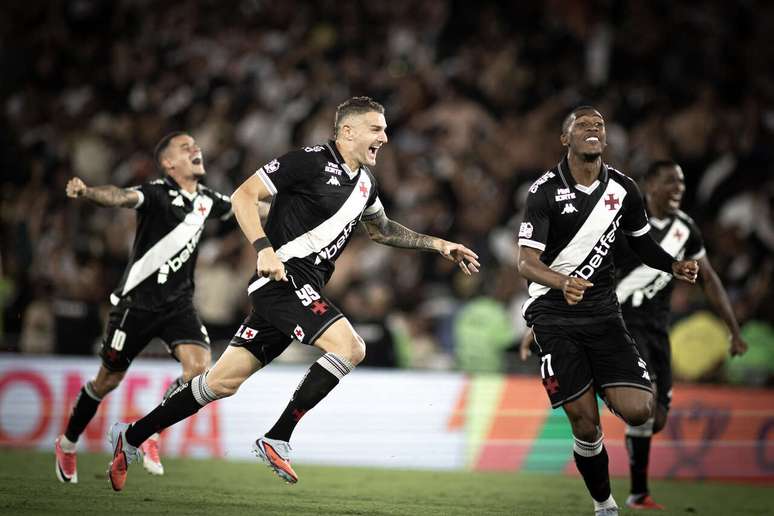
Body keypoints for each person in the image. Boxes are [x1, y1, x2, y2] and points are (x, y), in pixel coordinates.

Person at [104, 96, 480, 491]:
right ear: (347, 131)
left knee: (221, 383)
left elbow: (382, 230)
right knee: (350, 347)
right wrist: (263, 248)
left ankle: (130, 437)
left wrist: (440, 245)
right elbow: (243, 196)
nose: (385, 138)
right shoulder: (308, 161)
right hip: (281, 281)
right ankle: (277, 436)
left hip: (301, 289)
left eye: (384, 129)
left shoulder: (366, 183)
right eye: (376, 129)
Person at [515, 106, 698, 516]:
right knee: (585, 424)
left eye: (599, 125)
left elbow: (642, 243)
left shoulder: (625, 190)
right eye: (582, 125)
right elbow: (526, 264)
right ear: (566, 139)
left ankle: (592, 377)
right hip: (553, 315)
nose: (593, 129)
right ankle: (605, 504)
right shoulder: (543, 191)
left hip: (603, 315)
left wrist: (672, 264)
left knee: (640, 409)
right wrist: (563, 282)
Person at [55, 132, 233, 483]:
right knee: (107, 381)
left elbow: (251, 207)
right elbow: (120, 196)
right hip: (135, 305)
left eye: (196, 145)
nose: (196, 149)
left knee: (199, 369)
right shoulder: (155, 193)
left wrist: (300, 207)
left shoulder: (208, 200)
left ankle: (149, 432)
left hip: (178, 306)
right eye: (186, 148)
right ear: (169, 163)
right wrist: (89, 192)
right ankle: (68, 442)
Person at [613, 160, 748, 509]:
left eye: (682, 183)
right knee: (644, 402)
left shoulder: (685, 229)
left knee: (654, 419)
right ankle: (639, 493)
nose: (678, 189)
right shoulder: (625, 222)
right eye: (669, 182)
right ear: (649, 185)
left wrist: (734, 331)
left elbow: (709, 279)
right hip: (624, 325)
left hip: (659, 330)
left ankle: (634, 461)